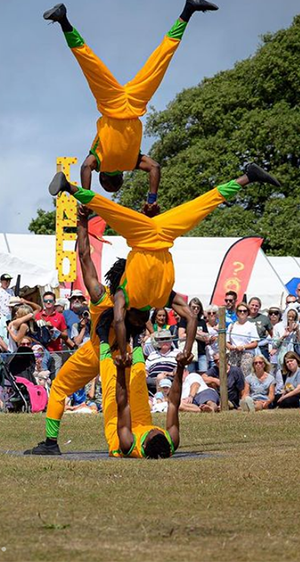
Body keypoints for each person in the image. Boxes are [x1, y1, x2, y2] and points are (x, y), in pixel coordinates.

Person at [49, 162, 280, 362]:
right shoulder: (161, 298)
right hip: (165, 234)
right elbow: (190, 317)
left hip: (140, 236)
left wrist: (122, 350)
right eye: (143, 322)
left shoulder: (124, 296)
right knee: (206, 203)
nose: (141, 320)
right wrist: (186, 351)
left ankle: (68, 186)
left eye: (136, 322)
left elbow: (118, 320)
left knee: (107, 208)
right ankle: (249, 176)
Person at [43, 0, 218, 211]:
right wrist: (86, 200)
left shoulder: (132, 162)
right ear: (104, 178)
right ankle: (63, 21)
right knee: (88, 61)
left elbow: (154, 168)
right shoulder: (102, 161)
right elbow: (86, 167)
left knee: (162, 57)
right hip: (112, 104)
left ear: (121, 177)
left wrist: (152, 200)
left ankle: (188, 10)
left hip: (136, 103)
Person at [25, 206, 148, 455]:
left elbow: (84, 258)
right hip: (124, 354)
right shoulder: (138, 301)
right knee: (127, 401)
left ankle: (51, 443)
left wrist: (81, 222)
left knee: (60, 387)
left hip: (95, 352)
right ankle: (138, 438)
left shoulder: (101, 296)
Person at [111, 346, 191, 458]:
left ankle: (103, 343)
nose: (155, 429)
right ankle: (137, 344)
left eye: (152, 433)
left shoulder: (128, 443)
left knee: (109, 382)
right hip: (142, 422)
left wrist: (120, 369)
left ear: (144, 445)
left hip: (119, 431)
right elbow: (173, 403)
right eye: (160, 432)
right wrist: (180, 367)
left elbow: (122, 405)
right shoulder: (170, 441)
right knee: (139, 381)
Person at [178, 298, 211, 373]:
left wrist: (192, 334)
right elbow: (181, 336)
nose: (196, 309)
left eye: (198, 308)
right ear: (189, 308)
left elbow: (206, 337)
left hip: (201, 353)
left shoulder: (202, 322)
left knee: (203, 374)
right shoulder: (184, 320)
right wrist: (197, 334)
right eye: (193, 307)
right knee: (190, 374)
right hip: (190, 353)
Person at [226, 303, 259, 376]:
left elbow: (255, 343)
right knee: (232, 376)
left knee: (245, 376)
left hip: (247, 354)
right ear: (237, 312)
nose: (242, 312)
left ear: (248, 313)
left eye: (244, 311)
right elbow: (227, 342)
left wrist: (243, 347)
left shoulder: (251, 326)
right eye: (240, 311)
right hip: (233, 354)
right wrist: (231, 347)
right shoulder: (231, 326)